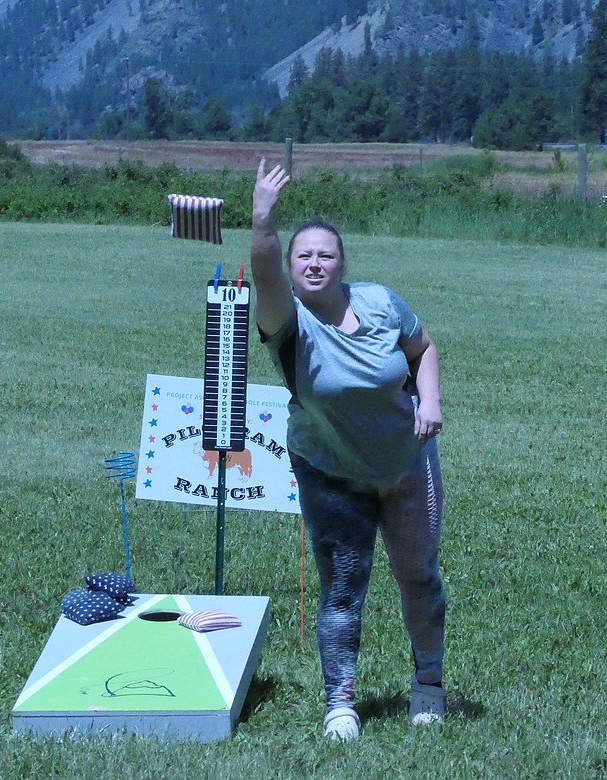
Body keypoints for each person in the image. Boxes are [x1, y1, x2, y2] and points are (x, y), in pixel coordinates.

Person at [250, 159, 447, 741]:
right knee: (343, 588)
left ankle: (428, 688)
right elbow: (263, 269)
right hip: (330, 472)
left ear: (343, 265)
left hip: (408, 466)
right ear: (290, 269)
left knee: (418, 577)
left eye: (325, 255)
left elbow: (424, 348)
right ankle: (340, 703)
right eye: (302, 256)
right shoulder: (287, 322)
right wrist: (263, 221)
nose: (313, 263)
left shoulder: (383, 303)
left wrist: (430, 403)